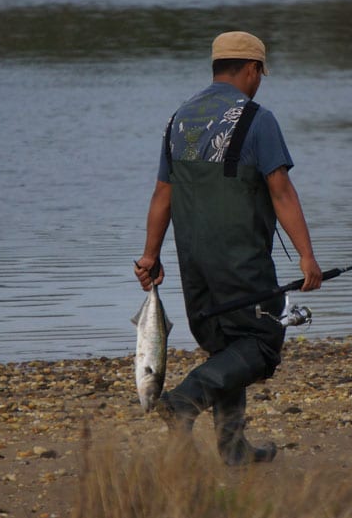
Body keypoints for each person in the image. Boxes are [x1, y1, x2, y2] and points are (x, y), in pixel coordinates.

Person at [134, 30, 322, 465]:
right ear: (252, 69)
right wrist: (307, 256)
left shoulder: (179, 118)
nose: (260, 82)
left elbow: (163, 192)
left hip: (192, 261)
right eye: (261, 74)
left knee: (226, 347)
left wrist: (150, 255)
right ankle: (184, 401)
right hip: (239, 260)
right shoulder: (258, 118)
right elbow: (281, 191)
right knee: (260, 343)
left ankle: (234, 449)